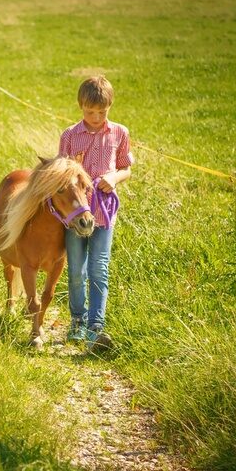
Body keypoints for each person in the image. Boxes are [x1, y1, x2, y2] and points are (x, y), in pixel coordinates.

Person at [57, 76, 133, 352]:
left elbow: (127, 168)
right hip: (76, 213)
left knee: (98, 269)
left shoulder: (119, 133)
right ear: (80, 107)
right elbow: (61, 174)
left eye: (103, 112)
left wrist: (114, 177)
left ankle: (95, 326)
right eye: (91, 112)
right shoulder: (69, 135)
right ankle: (77, 321)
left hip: (103, 213)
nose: (97, 117)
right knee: (76, 270)